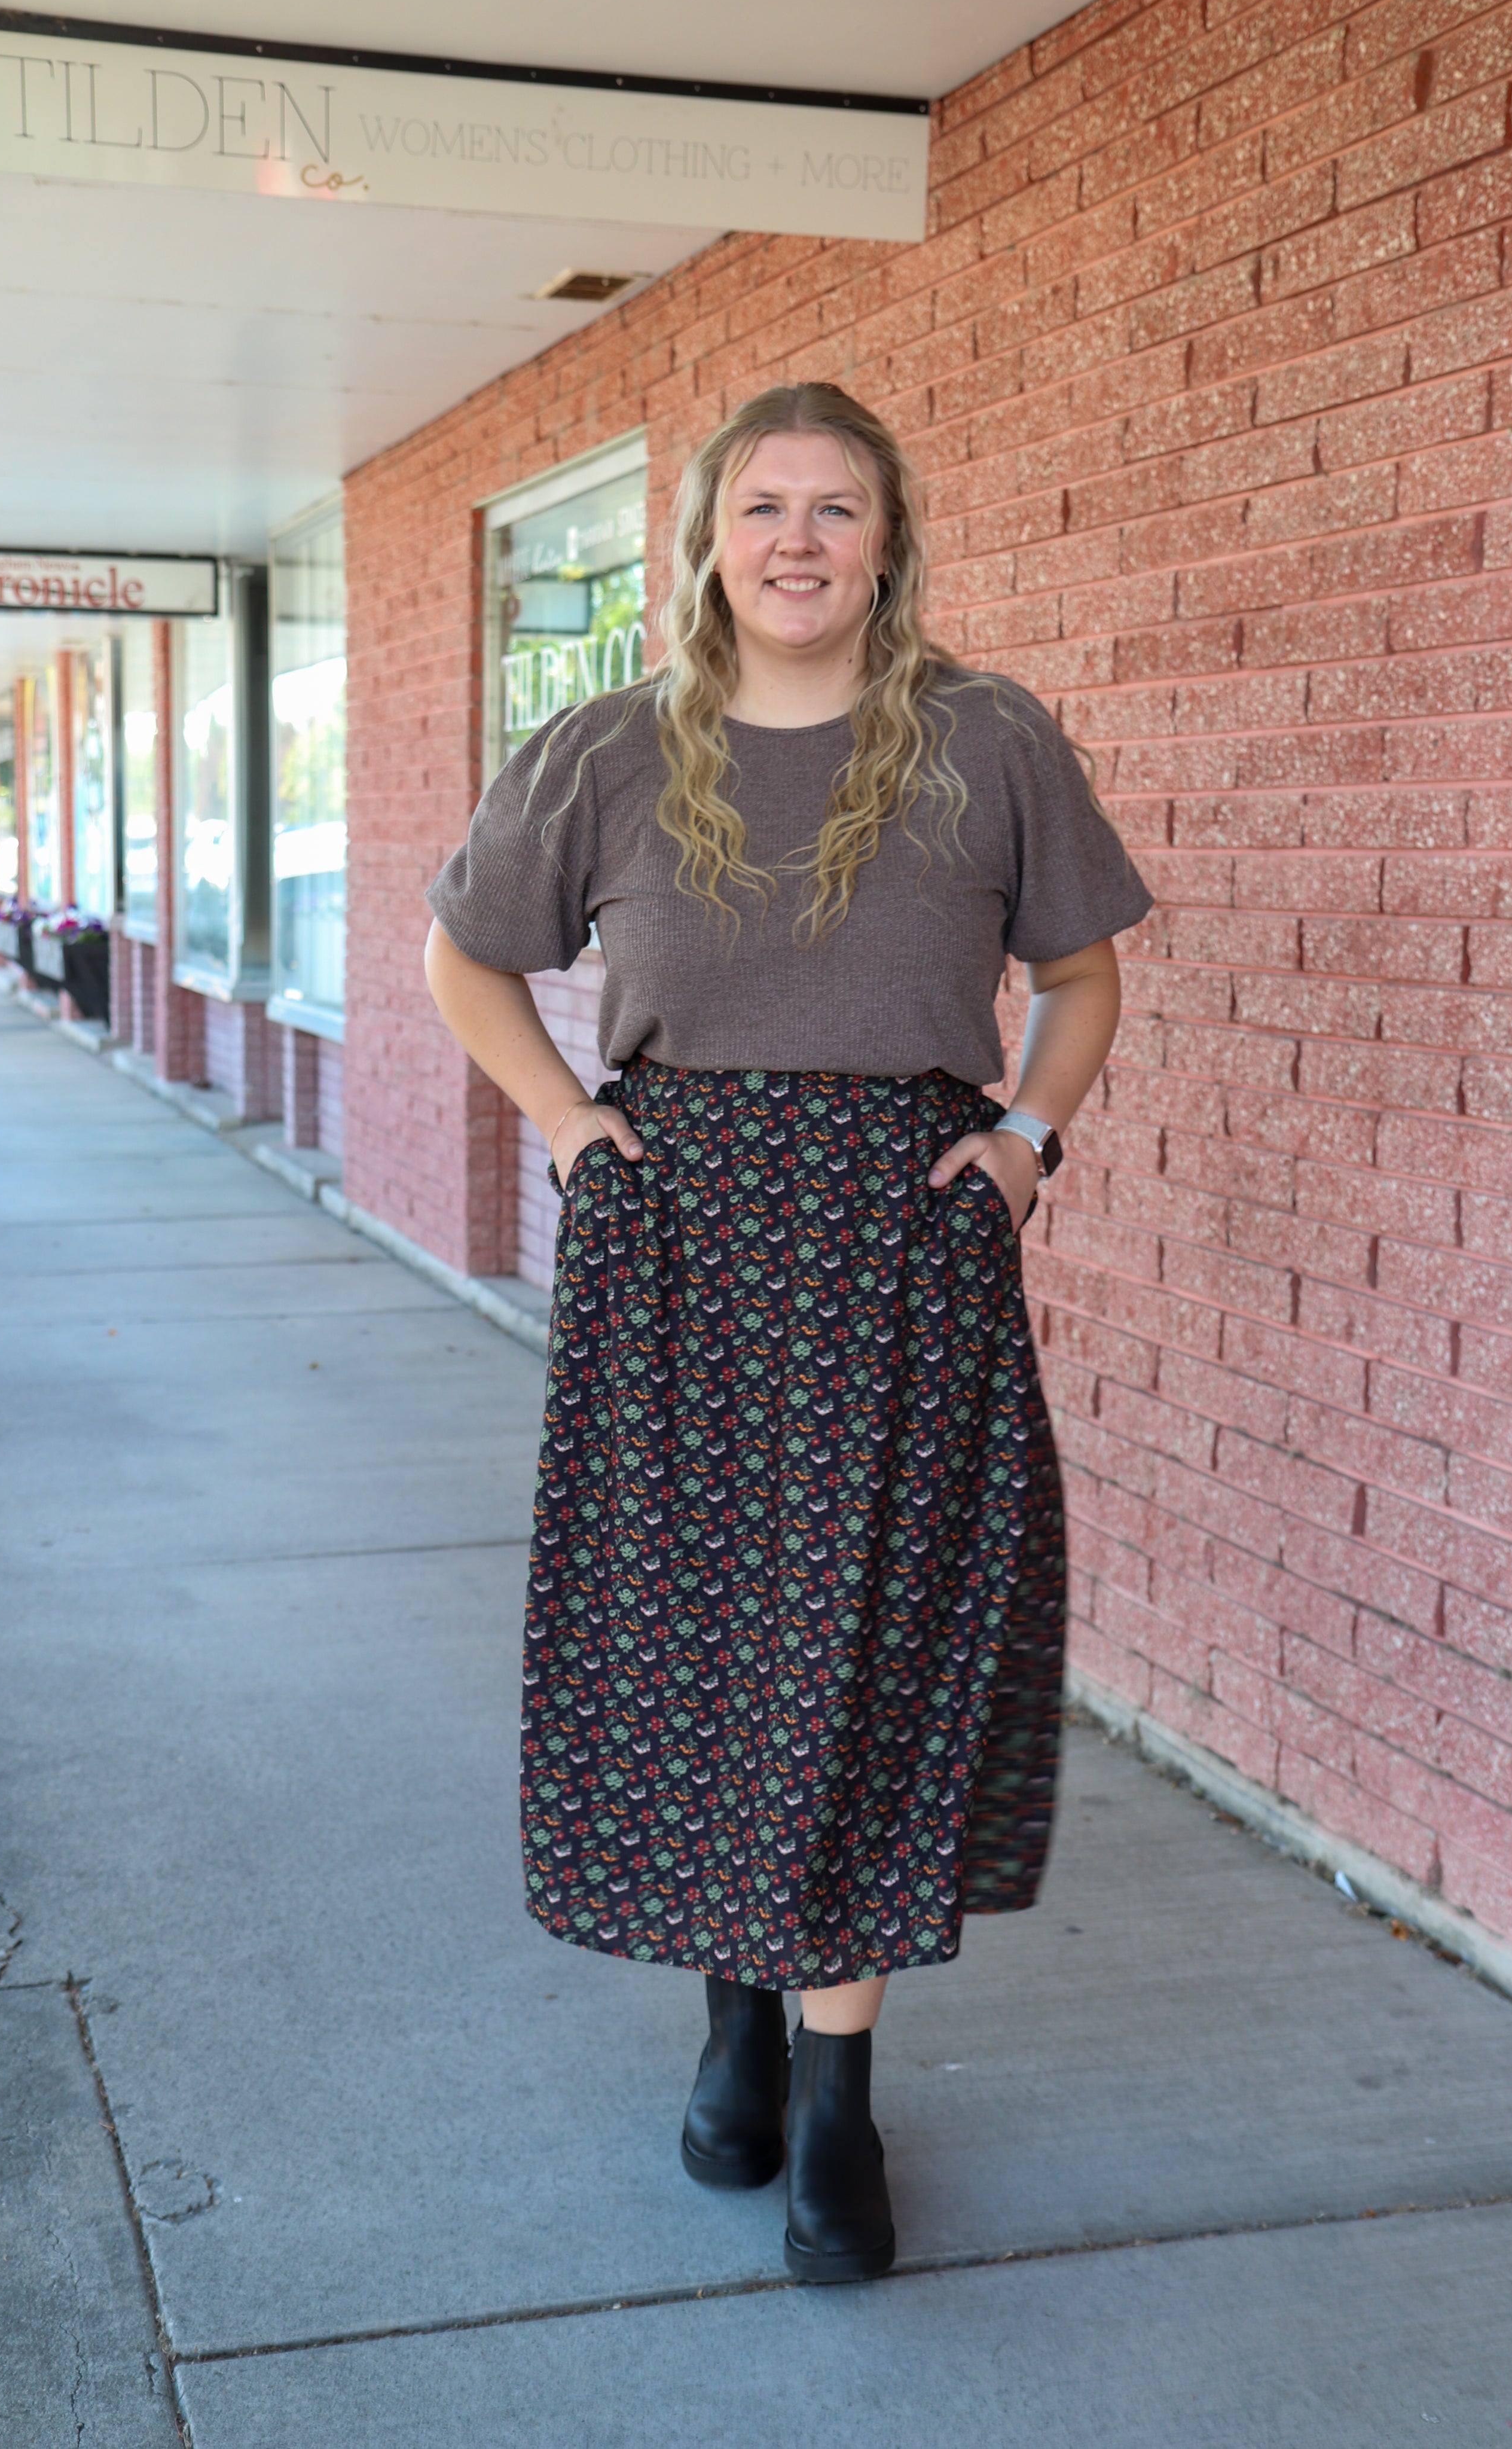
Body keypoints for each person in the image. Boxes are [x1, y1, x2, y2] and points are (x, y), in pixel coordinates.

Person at [424, 381, 1151, 2283]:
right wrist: (575, 1130)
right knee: (699, 1646)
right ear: (710, 540)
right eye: (767, 505)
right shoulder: (606, 750)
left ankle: (835, 2088)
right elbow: (462, 955)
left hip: (910, 1252)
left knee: (875, 1655)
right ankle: (734, 2014)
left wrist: (1022, 1145)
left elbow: (1080, 978)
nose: (803, 539)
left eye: (840, 507)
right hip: (678, 1249)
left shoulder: (987, 743)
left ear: (890, 540)